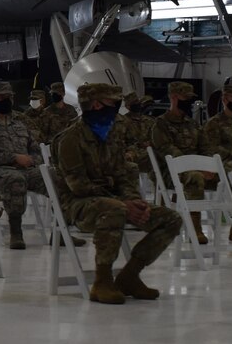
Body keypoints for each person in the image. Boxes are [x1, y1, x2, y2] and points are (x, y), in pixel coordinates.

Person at [53, 82, 183, 304]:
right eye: (114, 103)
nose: (117, 108)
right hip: (78, 206)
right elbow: (79, 187)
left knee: (171, 218)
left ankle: (129, 275)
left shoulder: (111, 133)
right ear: (95, 104)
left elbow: (123, 173)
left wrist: (133, 200)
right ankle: (102, 281)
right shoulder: (70, 139)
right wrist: (124, 203)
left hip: (115, 201)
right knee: (115, 209)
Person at [0, 80, 52, 251]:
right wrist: (14, 158)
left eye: (10, 97)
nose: (7, 100)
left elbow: (36, 150)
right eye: (3, 97)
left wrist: (32, 160)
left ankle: (61, 231)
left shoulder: (21, 124)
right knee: (15, 180)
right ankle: (16, 232)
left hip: (27, 170)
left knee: (55, 177)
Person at [150, 80, 214, 244]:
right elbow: (170, 151)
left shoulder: (192, 123)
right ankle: (195, 229)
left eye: (190, 98)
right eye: (185, 98)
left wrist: (209, 166)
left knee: (229, 174)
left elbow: (205, 146)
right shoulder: (160, 124)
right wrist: (198, 168)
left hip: (195, 169)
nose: (189, 102)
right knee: (195, 177)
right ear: (173, 97)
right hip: (170, 172)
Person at [34, 81, 79, 146]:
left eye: (56, 93)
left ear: (63, 94)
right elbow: (43, 133)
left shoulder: (71, 109)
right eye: (52, 93)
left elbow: (76, 127)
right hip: (54, 145)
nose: (53, 96)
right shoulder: (46, 112)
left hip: (71, 143)